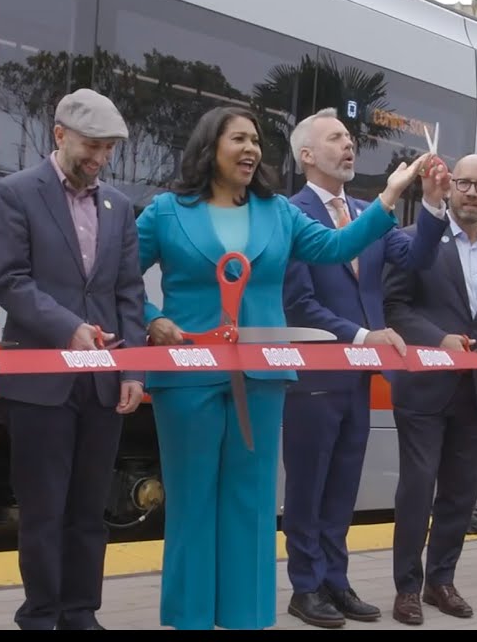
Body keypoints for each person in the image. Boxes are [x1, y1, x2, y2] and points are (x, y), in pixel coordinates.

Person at [136, 105, 430, 630]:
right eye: (238, 140)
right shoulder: (166, 211)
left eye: (256, 141)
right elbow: (117, 279)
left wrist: (390, 195)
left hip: (263, 378)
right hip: (186, 378)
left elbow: (338, 246)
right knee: (193, 502)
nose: (251, 150)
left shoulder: (278, 212)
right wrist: (153, 318)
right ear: (209, 146)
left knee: (251, 505)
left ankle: (248, 617)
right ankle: (192, 617)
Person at [280, 108, 450, 628]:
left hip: (358, 377)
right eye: (336, 138)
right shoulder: (291, 214)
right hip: (314, 375)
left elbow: (417, 257)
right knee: (308, 487)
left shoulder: (367, 213)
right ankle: (305, 587)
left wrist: (434, 202)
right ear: (307, 155)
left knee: (343, 485)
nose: (350, 145)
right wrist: (360, 336)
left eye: (351, 137)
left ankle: (336, 580)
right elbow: (299, 304)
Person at [0, 88, 146, 630]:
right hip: (40, 382)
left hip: (102, 384)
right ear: (59, 135)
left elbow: (130, 295)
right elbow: (10, 282)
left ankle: (81, 613)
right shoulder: (16, 193)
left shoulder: (120, 207)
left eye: (107, 150)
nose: (99, 159)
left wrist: (133, 370)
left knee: (89, 511)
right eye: (91, 146)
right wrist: (68, 329)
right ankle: (40, 614)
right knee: (42, 510)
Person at [383, 154, 477, 625]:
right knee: (417, 491)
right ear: (450, 185)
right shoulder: (413, 242)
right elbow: (395, 308)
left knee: (461, 497)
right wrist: (437, 339)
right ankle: (407, 588)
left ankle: (442, 581)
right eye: (463, 182)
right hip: (424, 389)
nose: (471, 193)